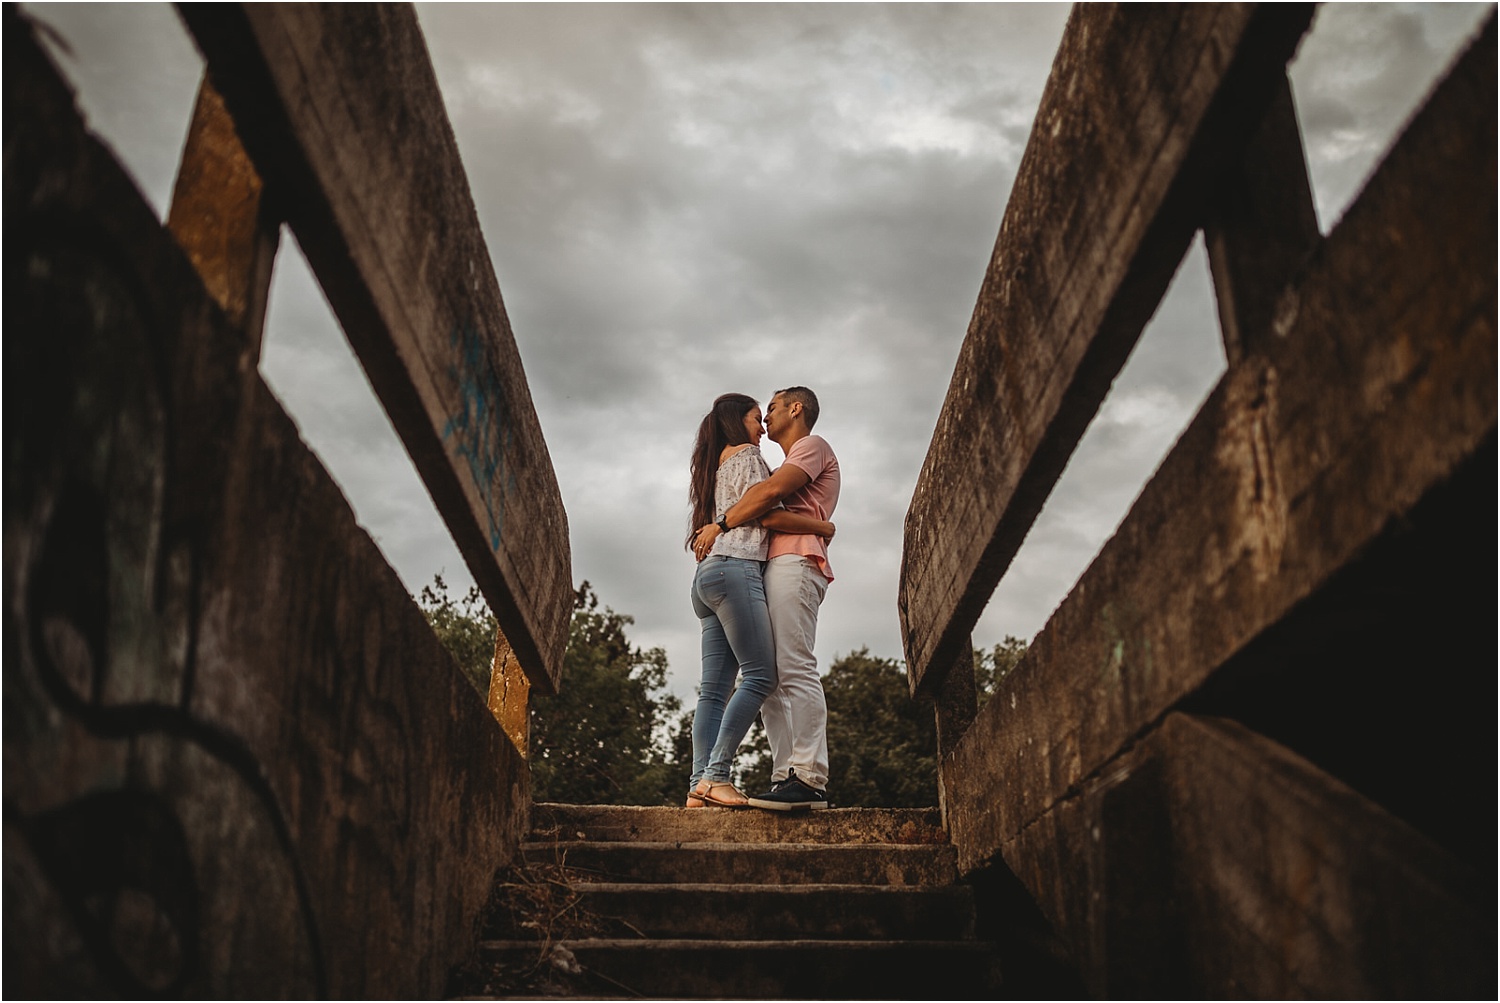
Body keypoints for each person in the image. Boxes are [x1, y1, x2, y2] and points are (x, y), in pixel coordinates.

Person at [692, 386, 839, 811]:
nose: (765, 419)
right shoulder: (759, 460)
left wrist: (718, 525)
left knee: (790, 666)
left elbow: (766, 502)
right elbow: (763, 505)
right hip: (762, 567)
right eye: (759, 413)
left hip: (795, 561)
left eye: (771, 409)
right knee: (769, 677)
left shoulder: (811, 446)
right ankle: (784, 774)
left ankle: (808, 776)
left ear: (796, 409)